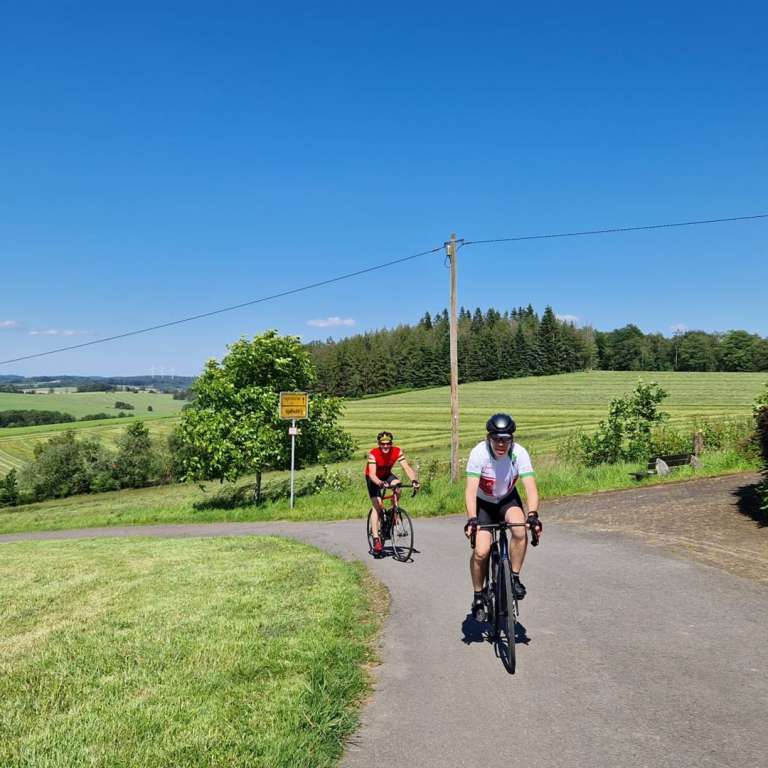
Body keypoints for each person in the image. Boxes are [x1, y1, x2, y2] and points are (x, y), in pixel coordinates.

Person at [464, 413, 542, 621]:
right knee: (481, 551)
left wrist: (533, 515)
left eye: (506, 439)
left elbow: (531, 488)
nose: (501, 444)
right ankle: (478, 595)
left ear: (511, 439)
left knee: (520, 530)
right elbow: (470, 491)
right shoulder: (479, 453)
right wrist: (472, 519)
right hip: (483, 503)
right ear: (489, 438)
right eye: (496, 439)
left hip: (507, 499)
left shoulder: (519, 453)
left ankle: (514, 578)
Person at [365, 430, 420, 555]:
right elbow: (372, 474)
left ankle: (393, 511)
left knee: (398, 486)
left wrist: (414, 480)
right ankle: (376, 539)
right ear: (379, 444)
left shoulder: (397, 451)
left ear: (391, 443)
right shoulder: (373, 454)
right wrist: (379, 483)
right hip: (373, 478)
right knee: (377, 505)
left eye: (388, 443)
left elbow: (406, 467)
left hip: (386, 475)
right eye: (382, 444)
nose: (385, 446)